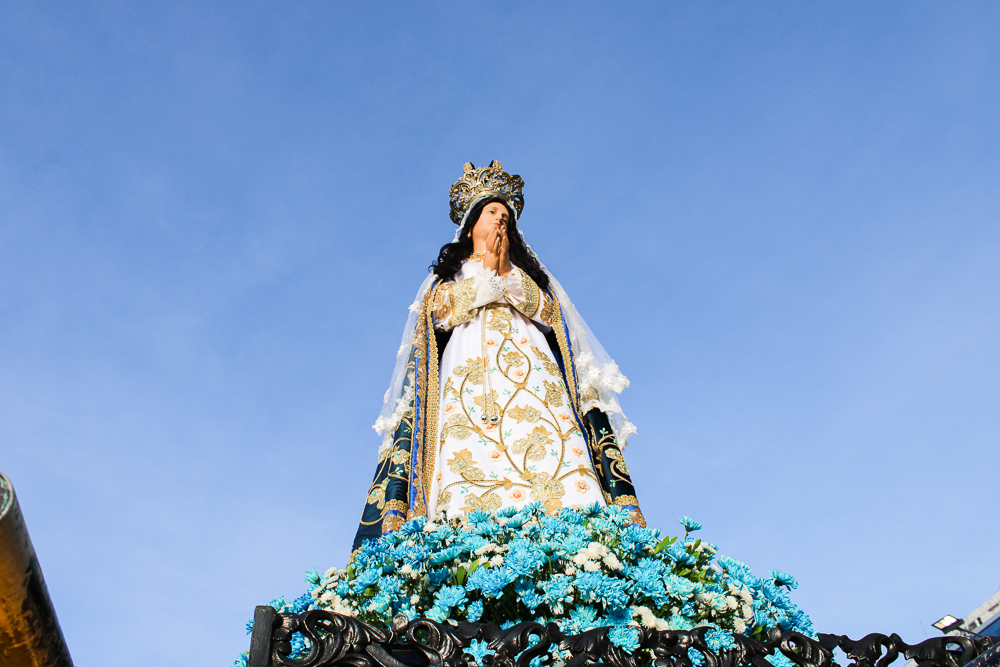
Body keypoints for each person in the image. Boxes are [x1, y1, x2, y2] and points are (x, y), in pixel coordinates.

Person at [353, 161, 642, 551]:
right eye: (492, 212)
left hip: (532, 367)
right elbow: (439, 313)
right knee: (471, 446)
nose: (500, 220)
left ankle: (576, 533)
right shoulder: (452, 275)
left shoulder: (524, 276)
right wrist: (487, 274)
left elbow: (551, 316)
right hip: (468, 368)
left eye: (506, 216)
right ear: (471, 224)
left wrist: (505, 274)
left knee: (543, 439)